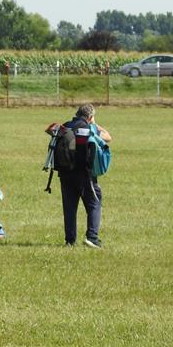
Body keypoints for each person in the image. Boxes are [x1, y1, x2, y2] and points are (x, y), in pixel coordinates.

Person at [45, 103, 112, 249]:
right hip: (84, 174)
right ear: (90, 117)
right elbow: (108, 137)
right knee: (94, 203)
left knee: (69, 208)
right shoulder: (90, 128)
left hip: (64, 173)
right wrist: (94, 123)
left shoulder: (65, 126)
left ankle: (70, 240)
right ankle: (92, 238)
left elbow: (49, 130)